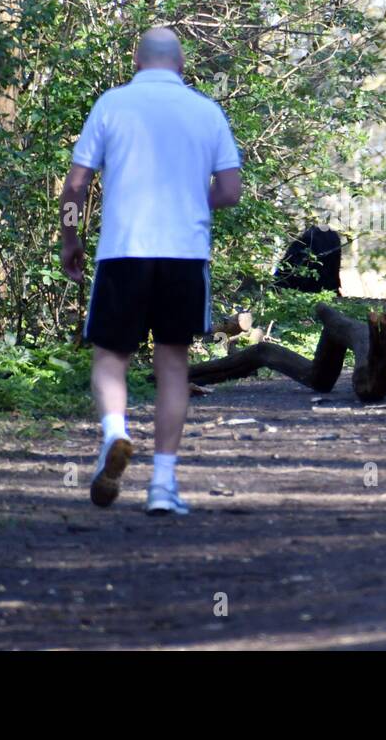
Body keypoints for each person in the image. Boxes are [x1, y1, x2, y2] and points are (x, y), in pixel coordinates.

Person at [60, 27, 242, 515]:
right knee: (172, 367)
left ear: (136, 63)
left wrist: (70, 239)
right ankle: (163, 486)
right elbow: (229, 191)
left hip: (123, 251)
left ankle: (116, 434)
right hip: (184, 254)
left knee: (110, 357)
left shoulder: (111, 105)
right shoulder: (206, 111)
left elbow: (75, 186)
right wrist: (188, 203)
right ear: (181, 66)